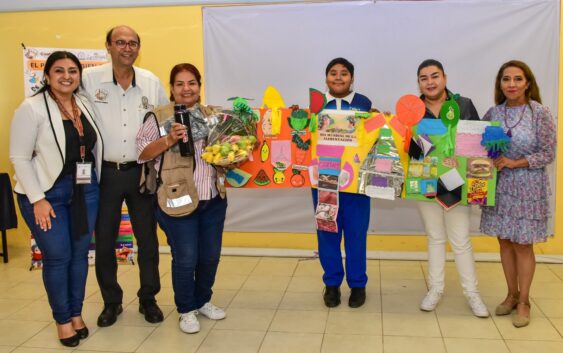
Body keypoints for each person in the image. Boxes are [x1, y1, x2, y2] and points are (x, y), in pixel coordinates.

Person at [10, 51, 103, 347]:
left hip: (85, 189)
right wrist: (37, 199)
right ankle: (63, 319)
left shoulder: (84, 103)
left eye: (73, 71)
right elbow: (20, 158)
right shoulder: (31, 108)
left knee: (79, 256)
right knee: (58, 257)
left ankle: (76, 313)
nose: (67, 76)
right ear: (47, 76)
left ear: (79, 75)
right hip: (46, 193)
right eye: (60, 71)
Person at [82, 25, 168, 327]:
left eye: (133, 43)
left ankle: (148, 298)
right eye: (120, 42)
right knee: (104, 241)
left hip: (141, 173)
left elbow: (163, 123)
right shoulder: (89, 80)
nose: (127, 48)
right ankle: (111, 302)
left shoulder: (150, 81)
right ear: (108, 46)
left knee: (148, 240)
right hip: (104, 173)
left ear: (138, 48)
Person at [136, 63, 228, 334]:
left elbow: (225, 150)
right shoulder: (158, 116)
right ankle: (186, 309)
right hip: (176, 198)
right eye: (180, 84)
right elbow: (142, 153)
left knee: (210, 256)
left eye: (192, 83)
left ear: (199, 86)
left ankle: (202, 301)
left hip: (213, 198)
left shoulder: (212, 115)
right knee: (186, 258)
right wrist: (168, 139)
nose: (186, 89)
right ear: (172, 88)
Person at [480, 60, 556, 327]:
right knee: (505, 242)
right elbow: (480, 147)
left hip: (528, 187)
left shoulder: (540, 113)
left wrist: (515, 162)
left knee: (523, 244)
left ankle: (524, 301)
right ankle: (511, 295)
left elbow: (549, 153)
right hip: (500, 187)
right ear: (500, 84)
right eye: (506, 79)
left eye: (517, 79)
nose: (511, 84)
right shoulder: (493, 113)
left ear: (528, 83)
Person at [415, 59, 489, 317]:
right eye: (424, 78)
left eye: (434, 76)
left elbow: (478, 143)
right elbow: (410, 149)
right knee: (435, 237)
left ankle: (472, 293)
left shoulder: (463, 104)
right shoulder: (413, 109)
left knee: (460, 240)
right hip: (426, 182)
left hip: (456, 181)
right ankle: (435, 289)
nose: (430, 82)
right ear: (419, 83)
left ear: (444, 78)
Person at [312, 57, 372, 308]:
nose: (338, 77)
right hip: (324, 179)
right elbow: (303, 134)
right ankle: (332, 284)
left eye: (344, 73)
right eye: (333, 73)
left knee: (356, 234)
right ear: (326, 78)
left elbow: (372, 136)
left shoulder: (364, 103)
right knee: (327, 233)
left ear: (352, 78)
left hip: (356, 183)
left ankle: (358, 285)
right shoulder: (314, 105)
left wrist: (383, 120)